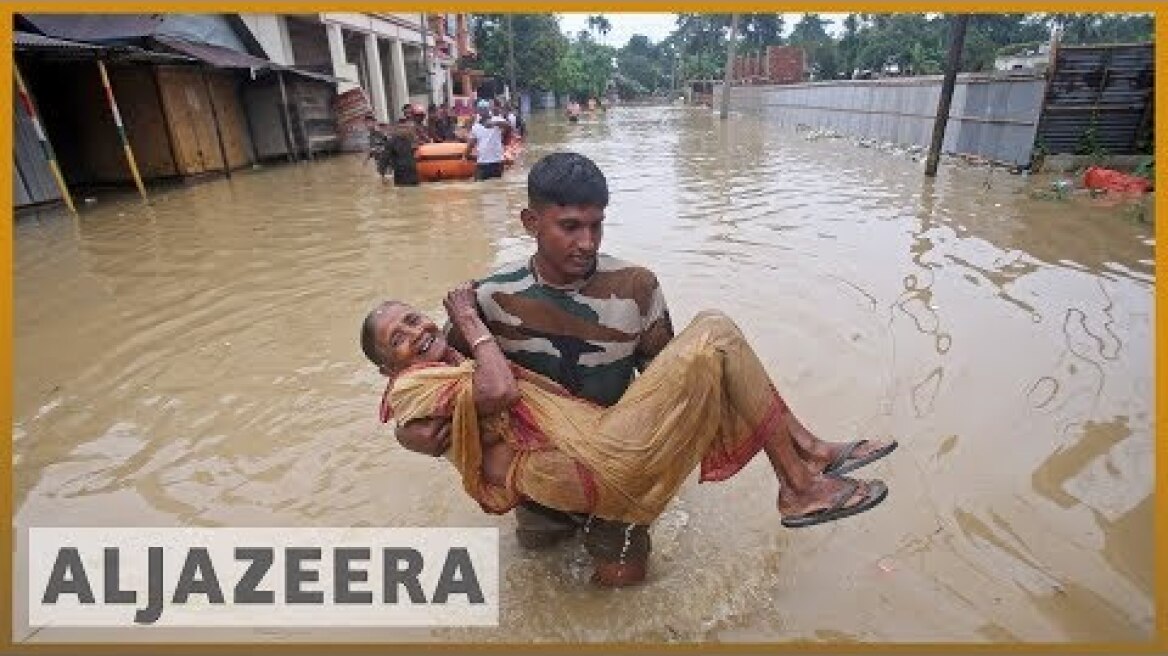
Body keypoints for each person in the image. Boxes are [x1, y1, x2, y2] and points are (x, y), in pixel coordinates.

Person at [387, 152, 897, 586]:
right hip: (539, 490)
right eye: (569, 227)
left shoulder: (636, 288)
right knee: (543, 586)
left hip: (619, 470)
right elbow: (437, 385)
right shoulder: (488, 300)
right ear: (530, 223)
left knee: (623, 595)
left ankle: (803, 465)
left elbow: (670, 384)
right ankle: (806, 462)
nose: (586, 242)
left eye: (597, 224)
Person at [464, 108, 507, 181]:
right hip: (485, 163)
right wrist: (466, 155)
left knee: (494, 185)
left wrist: (494, 123)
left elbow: (508, 126)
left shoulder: (497, 121)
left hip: (494, 162)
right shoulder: (475, 127)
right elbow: (471, 144)